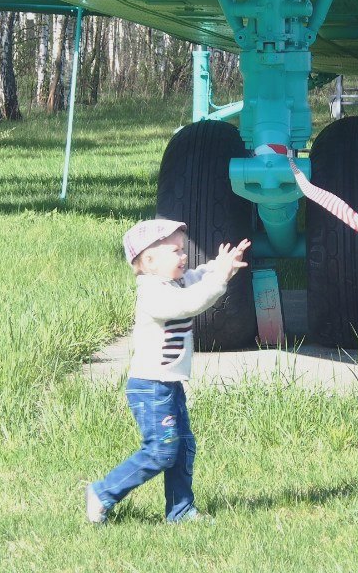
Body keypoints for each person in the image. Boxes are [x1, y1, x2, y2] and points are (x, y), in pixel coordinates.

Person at [86, 219, 250, 524]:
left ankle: (180, 510)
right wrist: (220, 281)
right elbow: (189, 304)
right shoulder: (153, 293)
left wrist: (222, 265)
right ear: (149, 262)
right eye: (175, 251)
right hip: (149, 387)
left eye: (182, 250)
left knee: (183, 445)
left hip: (169, 385)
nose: (184, 256)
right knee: (161, 450)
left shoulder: (174, 281)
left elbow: (198, 276)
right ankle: (103, 492)